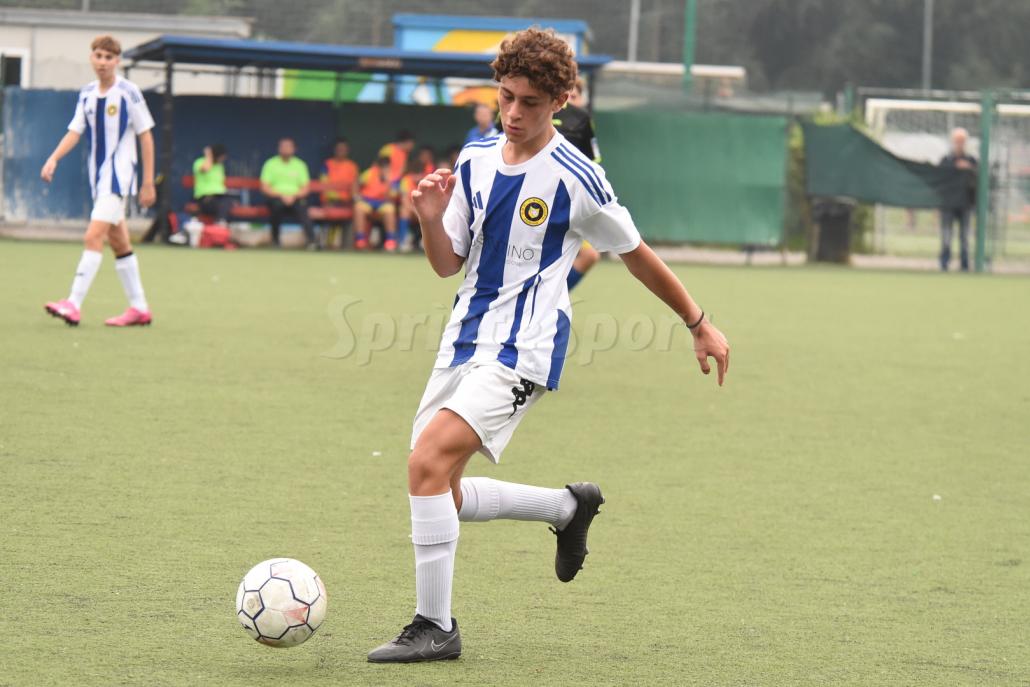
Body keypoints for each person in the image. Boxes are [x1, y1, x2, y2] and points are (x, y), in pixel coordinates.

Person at [366, 27, 730, 664]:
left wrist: (697, 321)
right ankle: (565, 508)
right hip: (463, 340)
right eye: (505, 96)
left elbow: (635, 254)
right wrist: (428, 218)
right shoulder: (476, 157)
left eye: (530, 102)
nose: (513, 113)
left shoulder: (576, 177)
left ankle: (435, 626)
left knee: (425, 465)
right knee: (440, 488)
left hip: (525, 349)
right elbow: (448, 264)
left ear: (561, 101)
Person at [41, 35, 156, 327]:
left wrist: (148, 182)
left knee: (93, 236)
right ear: (91, 58)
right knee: (119, 242)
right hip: (99, 178)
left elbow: (146, 136)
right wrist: (54, 158)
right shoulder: (87, 94)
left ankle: (73, 303)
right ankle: (140, 308)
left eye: (109, 57)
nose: (103, 62)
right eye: (98, 56)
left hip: (118, 178)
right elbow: (74, 131)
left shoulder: (129, 92)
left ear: (117, 61)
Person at [555, 78, 602, 291]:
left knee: (589, 255)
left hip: (569, 204)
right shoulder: (539, 116)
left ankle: (550, 298)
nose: (570, 101)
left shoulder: (582, 121)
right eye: (567, 96)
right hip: (535, 201)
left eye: (575, 96)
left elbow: (592, 165)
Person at [260, 137, 316, 249]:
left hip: (296, 198)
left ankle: (312, 242)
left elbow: (306, 188)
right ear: (278, 148)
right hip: (277, 197)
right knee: (275, 207)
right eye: (283, 146)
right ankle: (275, 242)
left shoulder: (300, 165)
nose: (285, 149)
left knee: (303, 208)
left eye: (288, 146)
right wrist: (282, 196)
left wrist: (293, 196)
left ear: (294, 149)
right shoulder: (270, 163)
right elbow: (264, 187)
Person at [938, 127, 978, 271]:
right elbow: (940, 179)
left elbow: (978, 179)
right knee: (946, 235)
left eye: (962, 141)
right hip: (948, 204)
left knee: (965, 236)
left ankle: (965, 264)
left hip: (965, 204)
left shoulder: (972, 161)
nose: (959, 144)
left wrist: (969, 168)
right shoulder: (946, 160)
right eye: (957, 141)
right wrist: (955, 167)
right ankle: (944, 263)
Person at [319, 137, 359, 249]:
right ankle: (327, 243)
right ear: (335, 150)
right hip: (330, 200)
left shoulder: (352, 166)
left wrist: (354, 198)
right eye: (339, 149)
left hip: (347, 202)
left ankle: (350, 245)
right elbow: (324, 183)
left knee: (357, 209)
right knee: (331, 211)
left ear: (347, 150)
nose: (341, 151)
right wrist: (334, 196)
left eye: (343, 149)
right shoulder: (327, 164)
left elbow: (355, 185)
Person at [354, 156, 399, 251]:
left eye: (386, 167)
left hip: (383, 203)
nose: (384, 169)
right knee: (358, 207)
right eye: (382, 166)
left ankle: (390, 240)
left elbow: (392, 196)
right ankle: (360, 239)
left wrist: (388, 182)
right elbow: (357, 183)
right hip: (367, 201)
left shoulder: (393, 177)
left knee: (390, 209)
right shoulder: (369, 173)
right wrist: (356, 196)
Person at [193, 144, 230, 225]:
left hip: (220, 198)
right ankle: (220, 223)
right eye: (221, 157)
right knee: (221, 203)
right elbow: (205, 169)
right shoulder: (200, 162)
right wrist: (209, 155)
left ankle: (220, 223)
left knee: (227, 201)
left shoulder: (220, 166)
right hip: (205, 199)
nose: (222, 159)